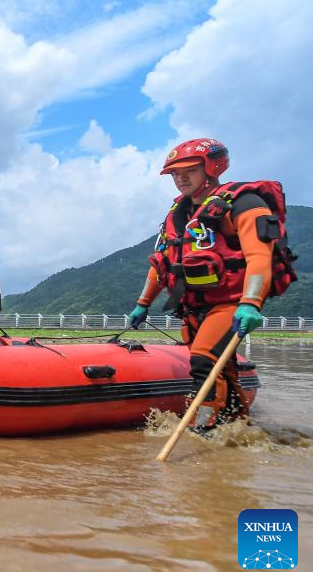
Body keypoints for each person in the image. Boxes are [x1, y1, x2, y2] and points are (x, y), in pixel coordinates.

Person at [127, 138, 296, 432]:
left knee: (204, 361)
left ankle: (209, 432)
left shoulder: (244, 203)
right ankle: (237, 429)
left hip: (230, 303)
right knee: (223, 369)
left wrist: (250, 303)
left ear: (212, 167)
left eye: (189, 170)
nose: (180, 178)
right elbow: (162, 263)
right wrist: (142, 304)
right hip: (192, 308)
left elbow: (260, 256)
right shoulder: (177, 214)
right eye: (175, 174)